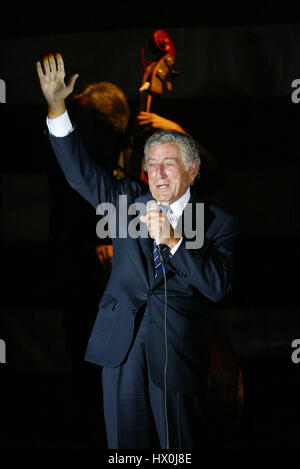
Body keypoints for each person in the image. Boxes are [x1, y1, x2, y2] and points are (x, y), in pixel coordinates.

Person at [36, 52, 238, 449]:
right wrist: (57, 107)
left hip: (177, 354)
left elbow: (218, 287)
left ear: (192, 171)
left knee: (178, 450)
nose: (158, 172)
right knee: (125, 451)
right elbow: (79, 172)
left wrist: (176, 242)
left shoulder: (216, 221)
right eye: (152, 163)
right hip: (121, 347)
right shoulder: (126, 201)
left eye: (170, 163)